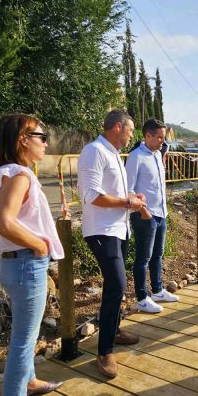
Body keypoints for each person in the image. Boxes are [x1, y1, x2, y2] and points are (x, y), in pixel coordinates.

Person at [0, 114, 64, 396]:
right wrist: (40, 244)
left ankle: (28, 381)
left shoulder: (3, 173)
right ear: (22, 138)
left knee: (25, 334)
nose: (45, 142)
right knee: (25, 336)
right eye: (40, 136)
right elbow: (3, 222)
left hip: (15, 264)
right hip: (26, 263)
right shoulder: (21, 175)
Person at [77, 110, 146, 379]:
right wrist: (129, 203)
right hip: (101, 231)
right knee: (116, 284)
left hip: (118, 229)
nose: (131, 136)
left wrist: (130, 197)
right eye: (130, 131)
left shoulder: (113, 154)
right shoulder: (94, 151)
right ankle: (104, 350)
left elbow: (112, 193)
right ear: (118, 127)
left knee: (117, 285)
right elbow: (91, 195)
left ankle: (114, 331)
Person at [125, 118, 179, 313]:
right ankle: (141, 297)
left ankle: (157, 290)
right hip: (145, 216)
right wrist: (144, 212)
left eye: (163, 138)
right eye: (159, 137)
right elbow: (128, 189)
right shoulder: (136, 156)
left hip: (161, 213)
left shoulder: (156, 154)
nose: (163, 142)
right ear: (147, 136)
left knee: (158, 254)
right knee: (143, 258)